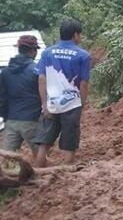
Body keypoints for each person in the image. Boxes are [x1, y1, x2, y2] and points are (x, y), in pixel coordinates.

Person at [34, 19, 90, 167]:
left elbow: (41, 79)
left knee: (44, 143)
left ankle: (39, 176)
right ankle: (65, 179)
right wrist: (82, 103)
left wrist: (44, 104)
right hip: (72, 104)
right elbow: (84, 84)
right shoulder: (82, 55)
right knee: (70, 144)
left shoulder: (47, 53)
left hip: (51, 104)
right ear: (75, 35)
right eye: (80, 35)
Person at [0, 35, 42, 159]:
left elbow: (2, 99)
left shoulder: (6, 72)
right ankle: (44, 177)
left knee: (6, 159)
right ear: (32, 51)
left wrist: (6, 117)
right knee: (41, 155)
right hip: (32, 120)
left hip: (11, 121)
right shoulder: (36, 70)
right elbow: (44, 94)